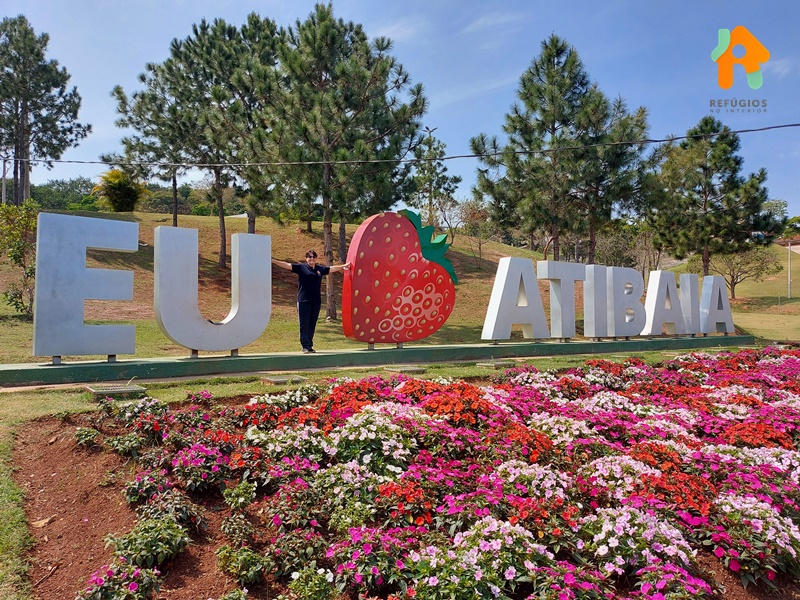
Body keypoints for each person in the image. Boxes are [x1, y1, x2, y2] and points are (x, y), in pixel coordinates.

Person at [272, 250, 350, 353]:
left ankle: (309, 345)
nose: (311, 259)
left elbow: (331, 268)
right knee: (304, 323)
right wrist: (274, 261)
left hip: (316, 301)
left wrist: (344, 265)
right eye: (309, 257)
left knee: (312, 324)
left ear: (316, 258)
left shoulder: (319, 269)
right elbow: (287, 265)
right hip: (303, 301)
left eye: (313, 257)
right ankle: (304, 346)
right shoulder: (301, 268)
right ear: (306, 258)